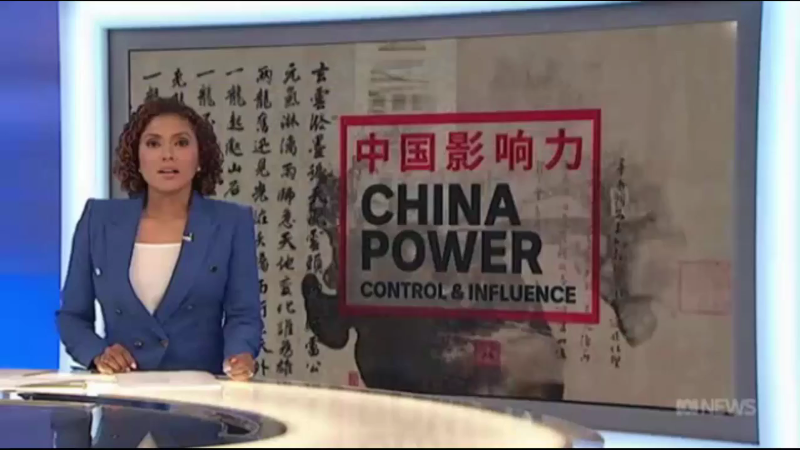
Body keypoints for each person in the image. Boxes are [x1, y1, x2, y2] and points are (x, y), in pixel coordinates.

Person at [57, 97, 262, 381]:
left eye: (181, 143)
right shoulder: (99, 220)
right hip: (121, 396)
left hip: (201, 395)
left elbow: (243, 315)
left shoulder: (230, 223)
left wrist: (240, 355)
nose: (168, 155)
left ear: (200, 157)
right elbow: (72, 317)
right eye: (153, 143)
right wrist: (98, 354)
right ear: (136, 158)